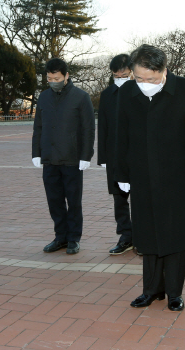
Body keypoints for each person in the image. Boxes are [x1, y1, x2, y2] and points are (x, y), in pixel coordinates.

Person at [115, 44, 185, 312]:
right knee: (147, 233)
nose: (145, 84)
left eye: (151, 79)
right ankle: (151, 290)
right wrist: (121, 173)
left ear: (164, 71)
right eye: (139, 78)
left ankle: (175, 293)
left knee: (175, 234)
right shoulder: (128, 93)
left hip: (177, 175)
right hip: (141, 174)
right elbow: (120, 136)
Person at [32, 58, 95, 255]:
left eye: (56, 78)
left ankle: (74, 238)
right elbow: (38, 127)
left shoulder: (81, 97)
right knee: (54, 200)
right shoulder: (43, 97)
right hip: (50, 158)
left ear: (66, 76)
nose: (53, 81)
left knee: (73, 201)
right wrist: (36, 153)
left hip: (72, 159)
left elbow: (88, 128)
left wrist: (86, 155)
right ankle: (60, 237)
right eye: (49, 78)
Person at [97, 53, 137, 255]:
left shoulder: (140, 91)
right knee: (119, 199)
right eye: (116, 75)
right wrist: (103, 158)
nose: (119, 78)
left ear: (131, 72)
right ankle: (126, 236)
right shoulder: (107, 95)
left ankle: (142, 237)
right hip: (114, 155)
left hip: (137, 154)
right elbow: (102, 127)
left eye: (123, 74)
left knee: (140, 198)